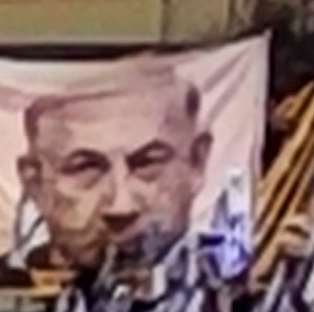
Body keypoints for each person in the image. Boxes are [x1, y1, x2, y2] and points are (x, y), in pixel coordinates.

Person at [20, 57, 211, 265]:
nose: (121, 206)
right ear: (35, 183)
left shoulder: (231, 275)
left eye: (148, 163)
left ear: (197, 161)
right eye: (86, 168)